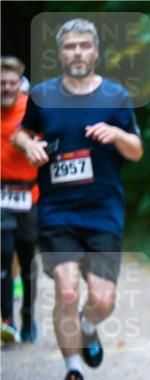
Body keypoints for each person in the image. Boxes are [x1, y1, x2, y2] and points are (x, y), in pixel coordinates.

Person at [12, 18, 143, 380]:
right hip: (57, 212)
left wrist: (118, 134)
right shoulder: (42, 95)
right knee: (67, 292)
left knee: (102, 299)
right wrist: (27, 145)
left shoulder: (116, 97)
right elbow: (21, 131)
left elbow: (136, 151)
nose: (78, 53)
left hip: (103, 213)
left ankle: (88, 325)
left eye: (85, 45)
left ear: (96, 51)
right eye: (70, 46)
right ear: (60, 52)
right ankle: (73, 372)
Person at [1, 56, 38, 344]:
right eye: (2, 83)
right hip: (1, 193)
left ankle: (27, 315)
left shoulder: (32, 108)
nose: (7, 88)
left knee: (26, 258)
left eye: (12, 83)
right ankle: (7, 320)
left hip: (29, 193)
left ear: (19, 84)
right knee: (3, 254)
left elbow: (51, 140)